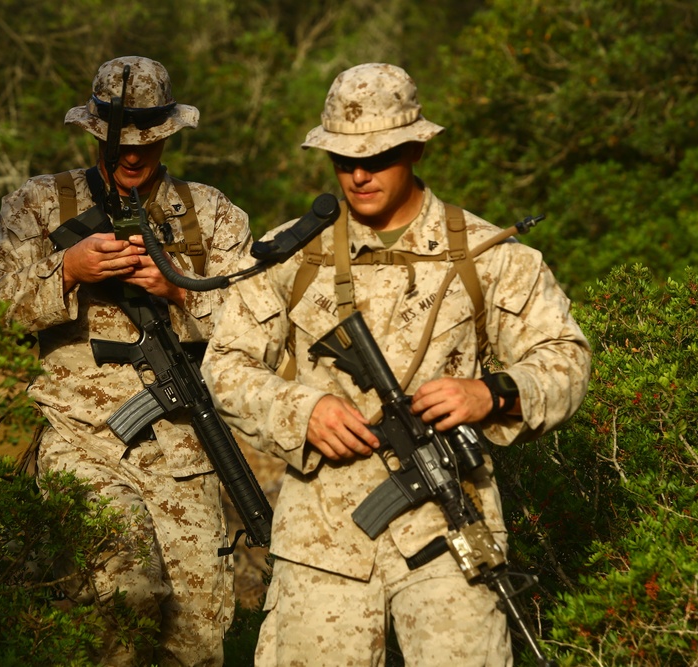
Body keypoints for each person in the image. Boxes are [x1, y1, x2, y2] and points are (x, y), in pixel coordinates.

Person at [201, 62, 592, 666]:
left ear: (414, 148)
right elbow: (225, 363)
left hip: (449, 532)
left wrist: (492, 392)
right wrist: (301, 409)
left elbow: (566, 359)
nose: (358, 175)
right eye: (342, 159)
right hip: (322, 545)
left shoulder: (487, 255)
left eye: (377, 157)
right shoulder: (292, 255)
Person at [0, 56, 250, 666]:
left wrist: (178, 289)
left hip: (185, 458)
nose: (134, 153)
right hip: (79, 442)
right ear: (93, 131)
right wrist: (66, 271)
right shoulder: (39, 205)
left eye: (149, 136)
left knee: (196, 639)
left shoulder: (211, 214)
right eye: (121, 136)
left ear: (169, 133)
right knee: (121, 597)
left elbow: (261, 321)